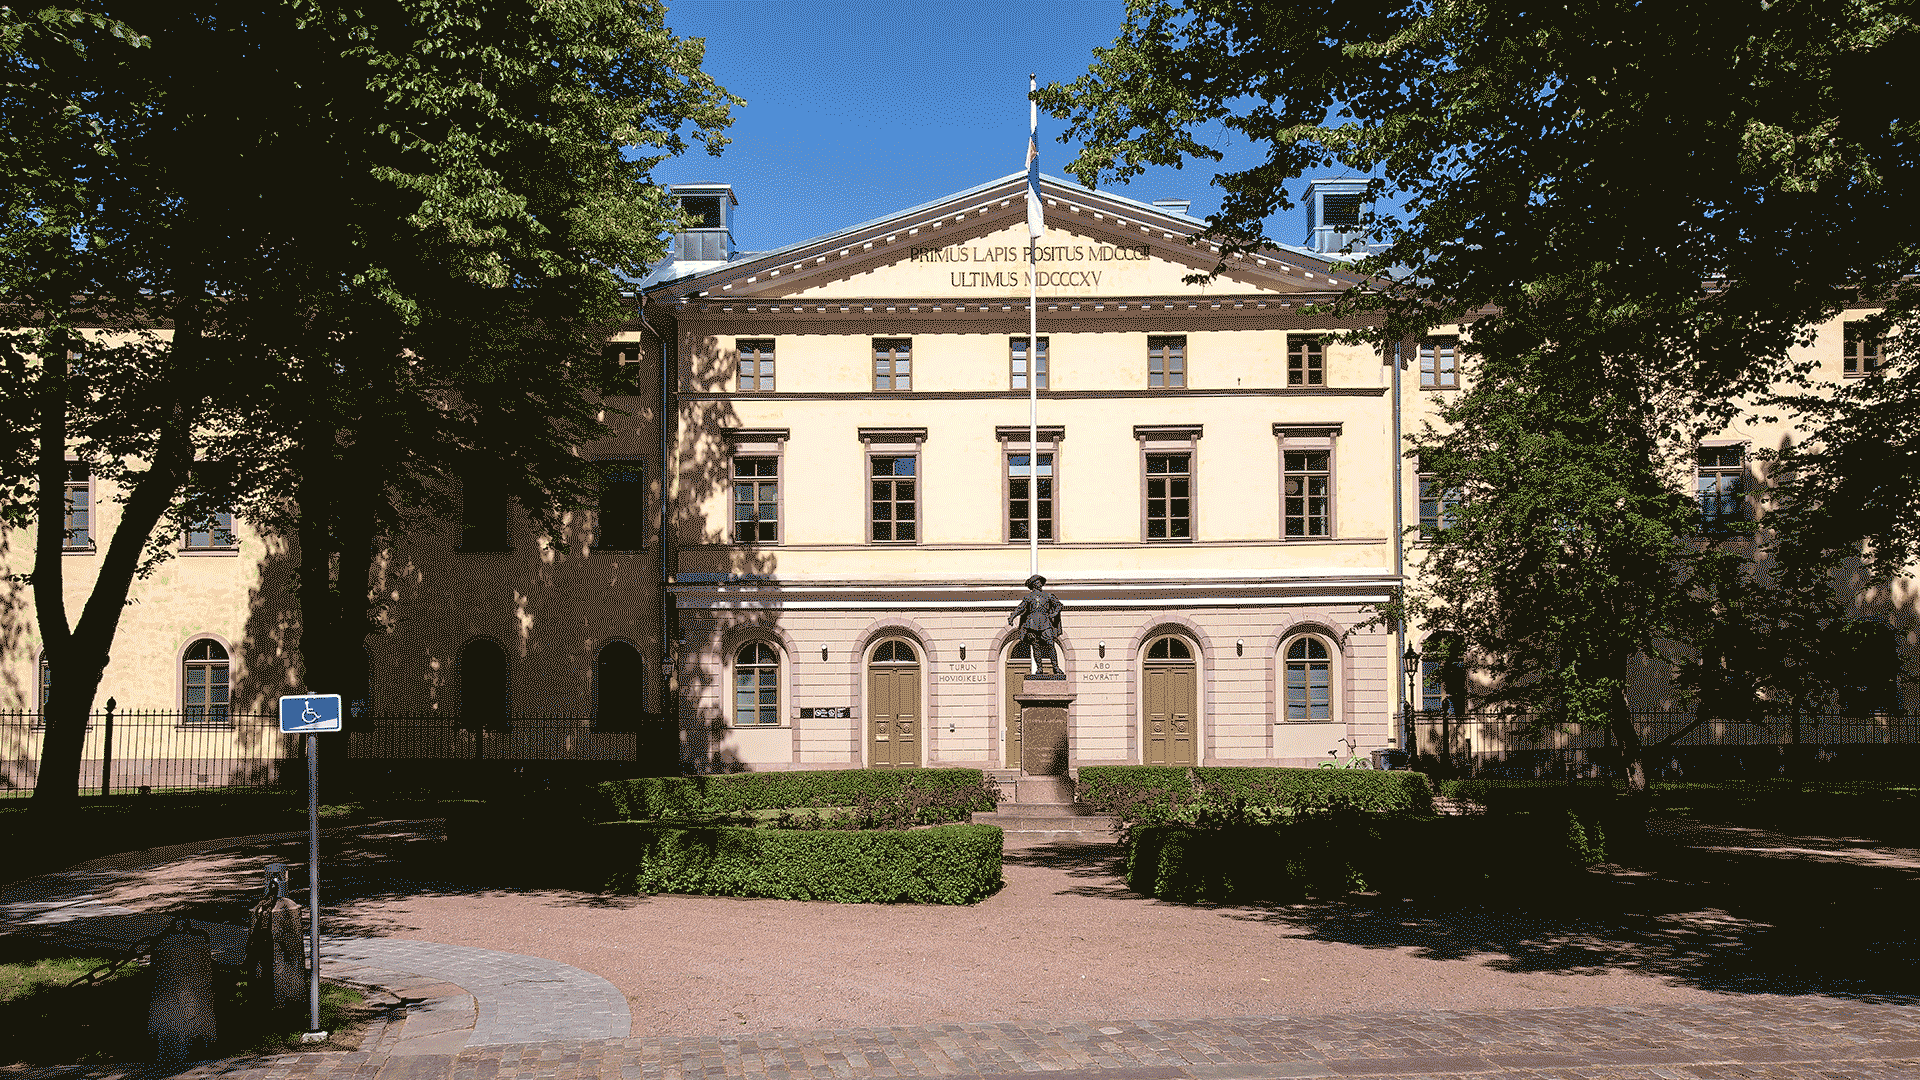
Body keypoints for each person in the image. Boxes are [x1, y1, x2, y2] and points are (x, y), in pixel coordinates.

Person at [1008, 574, 1064, 675]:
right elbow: (1020, 608)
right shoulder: (1028, 597)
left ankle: (1055, 667)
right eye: (1038, 582)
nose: (1040, 584)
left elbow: (1058, 605)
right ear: (1033, 585)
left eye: (1040, 582)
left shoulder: (1048, 595)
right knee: (1036, 646)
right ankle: (1039, 668)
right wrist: (1012, 617)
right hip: (1032, 624)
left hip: (1045, 623)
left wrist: (1054, 613)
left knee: (1050, 644)